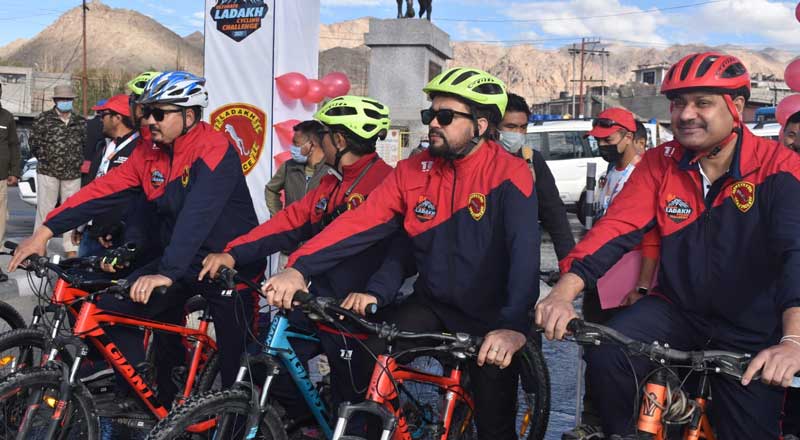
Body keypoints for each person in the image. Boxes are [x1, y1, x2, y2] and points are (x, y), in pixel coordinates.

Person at [265, 67, 540, 439]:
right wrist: (299, 268)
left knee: (494, 424)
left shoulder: (510, 172)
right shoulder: (413, 169)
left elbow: (524, 257)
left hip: (491, 313)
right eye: (431, 114)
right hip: (433, 303)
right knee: (368, 354)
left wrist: (512, 327)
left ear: (480, 125)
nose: (433, 124)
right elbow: (361, 221)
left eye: (445, 116)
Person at [535, 52, 800, 438]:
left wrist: (793, 341)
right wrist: (562, 293)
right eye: (677, 103)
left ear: (737, 106)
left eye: (702, 102)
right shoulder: (661, 162)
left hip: (752, 325)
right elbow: (617, 227)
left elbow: (795, 253)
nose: (686, 114)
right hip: (677, 310)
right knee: (608, 355)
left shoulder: (779, 167)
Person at [9, 71, 264, 415]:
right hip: (182, 258)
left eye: (159, 113)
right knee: (111, 308)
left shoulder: (214, 147)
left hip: (228, 261)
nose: (149, 120)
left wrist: (166, 273)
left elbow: (198, 216)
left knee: (238, 366)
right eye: (146, 112)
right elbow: (101, 191)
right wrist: (44, 231)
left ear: (189, 116)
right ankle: (157, 400)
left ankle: (247, 422)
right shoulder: (149, 151)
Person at [200, 95, 408, 424]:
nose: (317, 142)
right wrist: (233, 253)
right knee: (262, 367)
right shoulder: (331, 182)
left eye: (322, 135)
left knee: (352, 412)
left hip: (356, 312)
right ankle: (306, 422)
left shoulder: (385, 182)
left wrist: (375, 293)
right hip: (316, 301)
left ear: (339, 140)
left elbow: (398, 253)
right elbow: (289, 221)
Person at [563, 110, 658, 440]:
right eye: (598, 140)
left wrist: (642, 285)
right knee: (594, 348)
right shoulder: (608, 173)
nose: (602, 144)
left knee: (625, 356)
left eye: (608, 139)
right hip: (600, 278)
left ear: (630, 137)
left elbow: (651, 237)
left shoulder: (642, 173)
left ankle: (626, 423)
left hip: (628, 281)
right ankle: (595, 419)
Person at [498, 92, 574, 261]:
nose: (518, 133)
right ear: (493, 127)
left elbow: (555, 215)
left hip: (522, 257)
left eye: (523, 127)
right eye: (510, 127)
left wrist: (569, 264)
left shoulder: (532, 159)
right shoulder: (477, 161)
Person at [71, 94, 141, 257]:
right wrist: (81, 225)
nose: (100, 119)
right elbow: (91, 188)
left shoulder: (137, 150)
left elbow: (128, 198)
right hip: (92, 231)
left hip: (113, 237)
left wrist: (112, 226)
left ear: (117, 118)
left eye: (104, 115)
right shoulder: (103, 147)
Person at [29, 84, 85, 258]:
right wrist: (47, 159)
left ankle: (70, 247)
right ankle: (39, 245)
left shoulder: (80, 121)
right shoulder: (43, 119)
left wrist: (76, 161)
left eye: (68, 99)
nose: (65, 101)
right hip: (48, 172)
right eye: (62, 99)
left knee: (71, 210)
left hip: (72, 173)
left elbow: (85, 144)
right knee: (45, 210)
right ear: (55, 100)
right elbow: (34, 144)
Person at [0, 83, 21, 282]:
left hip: (0, 178)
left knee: (0, 223)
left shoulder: (7, 117)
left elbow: (14, 145)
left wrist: (14, 171)